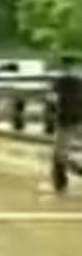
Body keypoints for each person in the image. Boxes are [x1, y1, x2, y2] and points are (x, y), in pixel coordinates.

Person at [52, 56, 81, 192]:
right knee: (60, 154)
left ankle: (61, 182)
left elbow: (52, 97)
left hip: (66, 119)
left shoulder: (60, 81)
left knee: (59, 155)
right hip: (73, 118)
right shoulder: (77, 80)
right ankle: (61, 181)